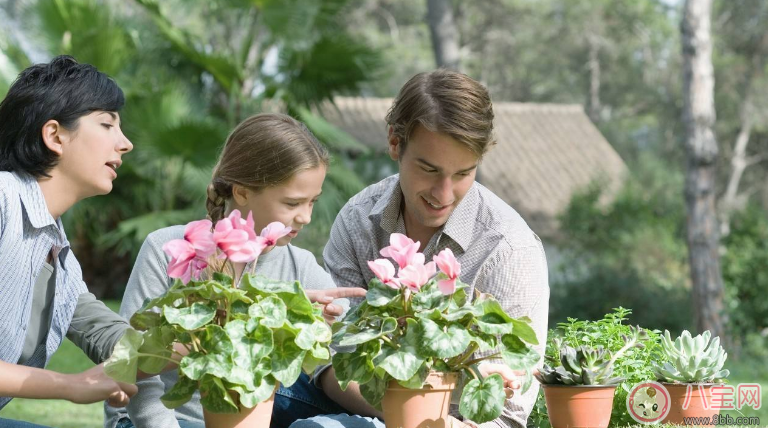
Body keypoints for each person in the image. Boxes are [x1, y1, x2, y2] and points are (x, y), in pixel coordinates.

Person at [288, 70, 550, 428]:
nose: (443, 194)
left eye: (462, 174)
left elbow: (504, 417)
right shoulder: (359, 218)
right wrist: (401, 408)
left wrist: (415, 414)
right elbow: (331, 361)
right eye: (429, 169)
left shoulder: (509, 250)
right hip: (361, 407)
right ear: (395, 143)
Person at [105, 113, 366, 428]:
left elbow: (339, 358)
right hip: (164, 420)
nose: (305, 217)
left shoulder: (299, 264)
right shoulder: (170, 248)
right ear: (241, 192)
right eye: (293, 203)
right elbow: (131, 369)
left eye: (312, 202)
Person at [0, 55, 139, 427]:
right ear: (55, 135)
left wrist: (221, 323)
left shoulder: (57, 252)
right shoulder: (2, 200)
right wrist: (68, 385)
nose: (125, 144)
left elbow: (109, 336)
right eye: (107, 124)